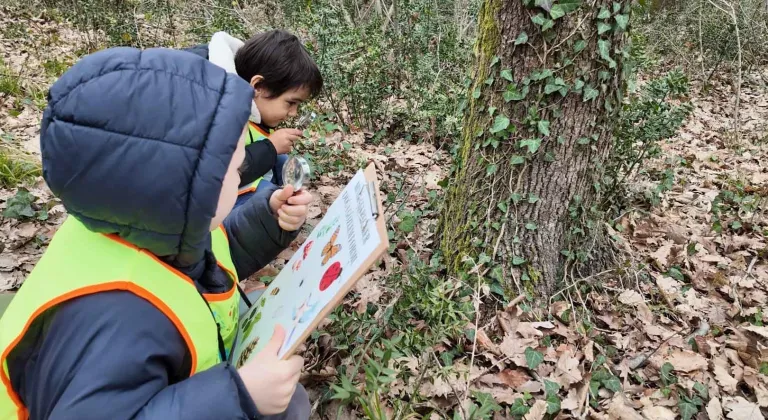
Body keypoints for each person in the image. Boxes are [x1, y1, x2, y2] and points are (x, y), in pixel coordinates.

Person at [0, 47, 313, 419]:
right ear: (183, 189)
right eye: (233, 167)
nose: (244, 169)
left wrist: (268, 217)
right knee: (287, 407)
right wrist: (238, 396)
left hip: (159, 380)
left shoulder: (135, 220)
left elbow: (203, 265)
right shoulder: (119, 318)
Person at [185, 30, 323, 206]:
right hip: (205, 195)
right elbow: (220, 173)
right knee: (271, 198)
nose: (293, 113)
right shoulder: (214, 106)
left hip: (236, 168)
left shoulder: (245, 95)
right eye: (291, 103)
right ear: (258, 86)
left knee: (281, 160)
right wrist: (271, 147)